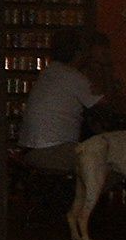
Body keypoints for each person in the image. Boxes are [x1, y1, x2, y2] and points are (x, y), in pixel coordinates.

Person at [18, 28, 111, 173]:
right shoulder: (73, 77)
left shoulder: (50, 71)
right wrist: (105, 68)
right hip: (53, 150)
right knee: (110, 165)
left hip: (31, 149)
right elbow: (105, 103)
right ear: (79, 52)